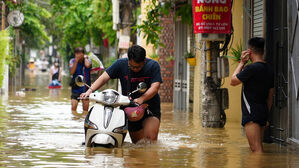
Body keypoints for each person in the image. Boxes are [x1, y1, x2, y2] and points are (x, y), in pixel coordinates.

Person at [80, 45, 163, 144]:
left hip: (149, 106)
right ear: (128, 60)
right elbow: (104, 78)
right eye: (131, 66)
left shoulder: (153, 66)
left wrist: (141, 99)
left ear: (144, 61)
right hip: (129, 108)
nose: (135, 69)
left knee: (150, 139)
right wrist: (89, 91)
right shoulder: (120, 64)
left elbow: (155, 87)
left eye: (138, 67)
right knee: (138, 144)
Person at [230, 37, 274, 153]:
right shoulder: (269, 69)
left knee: (256, 149)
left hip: (251, 113)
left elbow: (232, 81)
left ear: (249, 52)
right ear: (263, 51)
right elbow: (270, 95)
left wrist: (242, 62)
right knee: (258, 147)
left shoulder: (251, 68)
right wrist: (266, 115)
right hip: (262, 112)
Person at [69, 47, 92, 115]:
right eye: (77, 54)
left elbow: (88, 65)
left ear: (83, 54)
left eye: (80, 54)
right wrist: (76, 61)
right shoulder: (72, 61)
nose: (78, 55)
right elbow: (72, 72)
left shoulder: (87, 60)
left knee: (85, 110)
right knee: (73, 107)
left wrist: (85, 58)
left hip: (85, 87)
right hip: (76, 87)